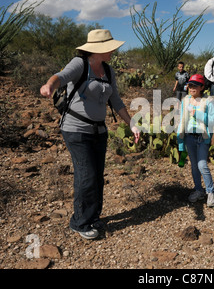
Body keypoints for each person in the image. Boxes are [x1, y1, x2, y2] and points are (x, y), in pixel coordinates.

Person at [40, 29, 140, 240]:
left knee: (97, 176)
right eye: (110, 47)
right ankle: (80, 222)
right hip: (76, 129)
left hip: (99, 131)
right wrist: (49, 85)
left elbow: (117, 101)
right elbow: (60, 77)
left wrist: (131, 124)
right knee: (86, 174)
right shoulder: (80, 64)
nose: (113, 50)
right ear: (98, 49)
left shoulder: (108, 70)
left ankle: (93, 215)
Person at [177, 74, 214, 207]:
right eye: (190, 85)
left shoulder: (208, 101)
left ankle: (210, 191)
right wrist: (181, 142)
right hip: (189, 137)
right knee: (194, 166)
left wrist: (197, 114)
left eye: (195, 85)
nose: (191, 88)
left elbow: (213, 120)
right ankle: (199, 190)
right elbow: (182, 121)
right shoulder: (185, 100)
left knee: (202, 165)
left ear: (202, 87)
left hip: (202, 137)